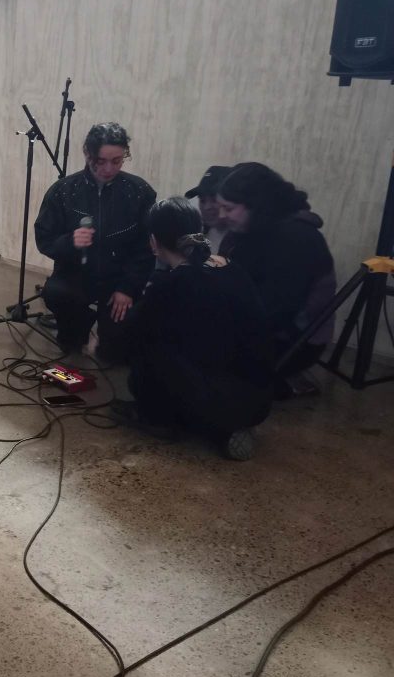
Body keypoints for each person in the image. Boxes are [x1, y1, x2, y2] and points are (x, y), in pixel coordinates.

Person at [118, 197, 273, 460]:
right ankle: (221, 431)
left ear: (154, 241)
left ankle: (161, 419)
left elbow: (131, 336)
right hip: (259, 400)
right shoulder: (233, 269)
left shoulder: (171, 286)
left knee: (146, 354)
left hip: (217, 400)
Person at [34, 122, 156, 361]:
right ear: (87, 154)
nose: (109, 169)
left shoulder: (139, 192)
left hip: (119, 280)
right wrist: (70, 242)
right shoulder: (63, 191)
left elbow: (146, 247)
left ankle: (105, 328)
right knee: (59, 304)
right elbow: (44, 238)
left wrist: (128, 287)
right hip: (75, 276)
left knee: (114, 354)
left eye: (117, 161)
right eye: (101, 161)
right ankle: (78, 326)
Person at [216, 163, 336, 397]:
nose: (221, 215)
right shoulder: (250, 229)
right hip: (259, 325)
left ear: (255, 206)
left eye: (228, 208)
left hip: (292, 343)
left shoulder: (297, 240)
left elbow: (274, 312)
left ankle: (279, 382)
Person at [184, 165, 232, 253]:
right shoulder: (195, 235)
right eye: (202, 200)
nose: (207, 207)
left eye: (214, 200)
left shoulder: (240, 242)